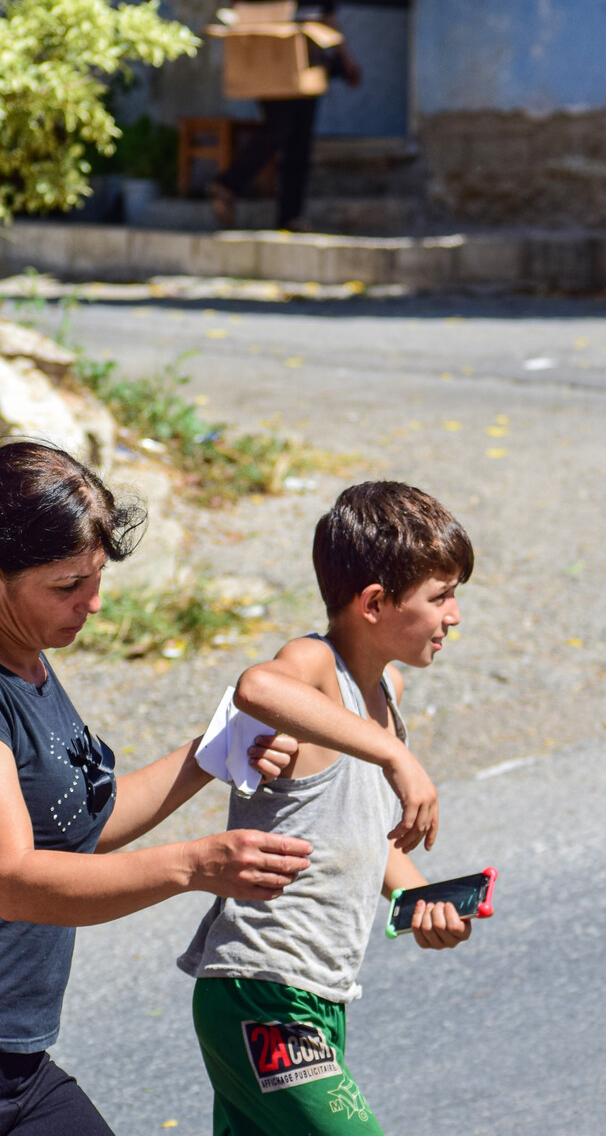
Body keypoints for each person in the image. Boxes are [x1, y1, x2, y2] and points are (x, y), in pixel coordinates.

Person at [0, 441, 312, 1136]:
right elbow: (11, 879)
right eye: (67, 585)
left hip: (9, 1067)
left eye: (96, 577)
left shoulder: (28, 663)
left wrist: (211, 753)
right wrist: (196, 864)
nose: (92, 604)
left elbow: (81, 827)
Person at [178, 481, 477, 1135]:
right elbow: (257, 686)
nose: (454, 615)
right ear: (375, 602)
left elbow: (360, 832)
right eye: (442, 596)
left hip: (316, 998)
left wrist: (421, 897)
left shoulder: (386, 689)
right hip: (262, 992)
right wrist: (397, 757)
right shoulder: (315, 667)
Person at [211, 0, 362, 232]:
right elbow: (241, 6)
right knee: (279, 126)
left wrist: (345, 56)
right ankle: (229, 183)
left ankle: (291, 216)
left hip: (309, 54)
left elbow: (328, 13)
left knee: (301, 137)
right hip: (271, 54)